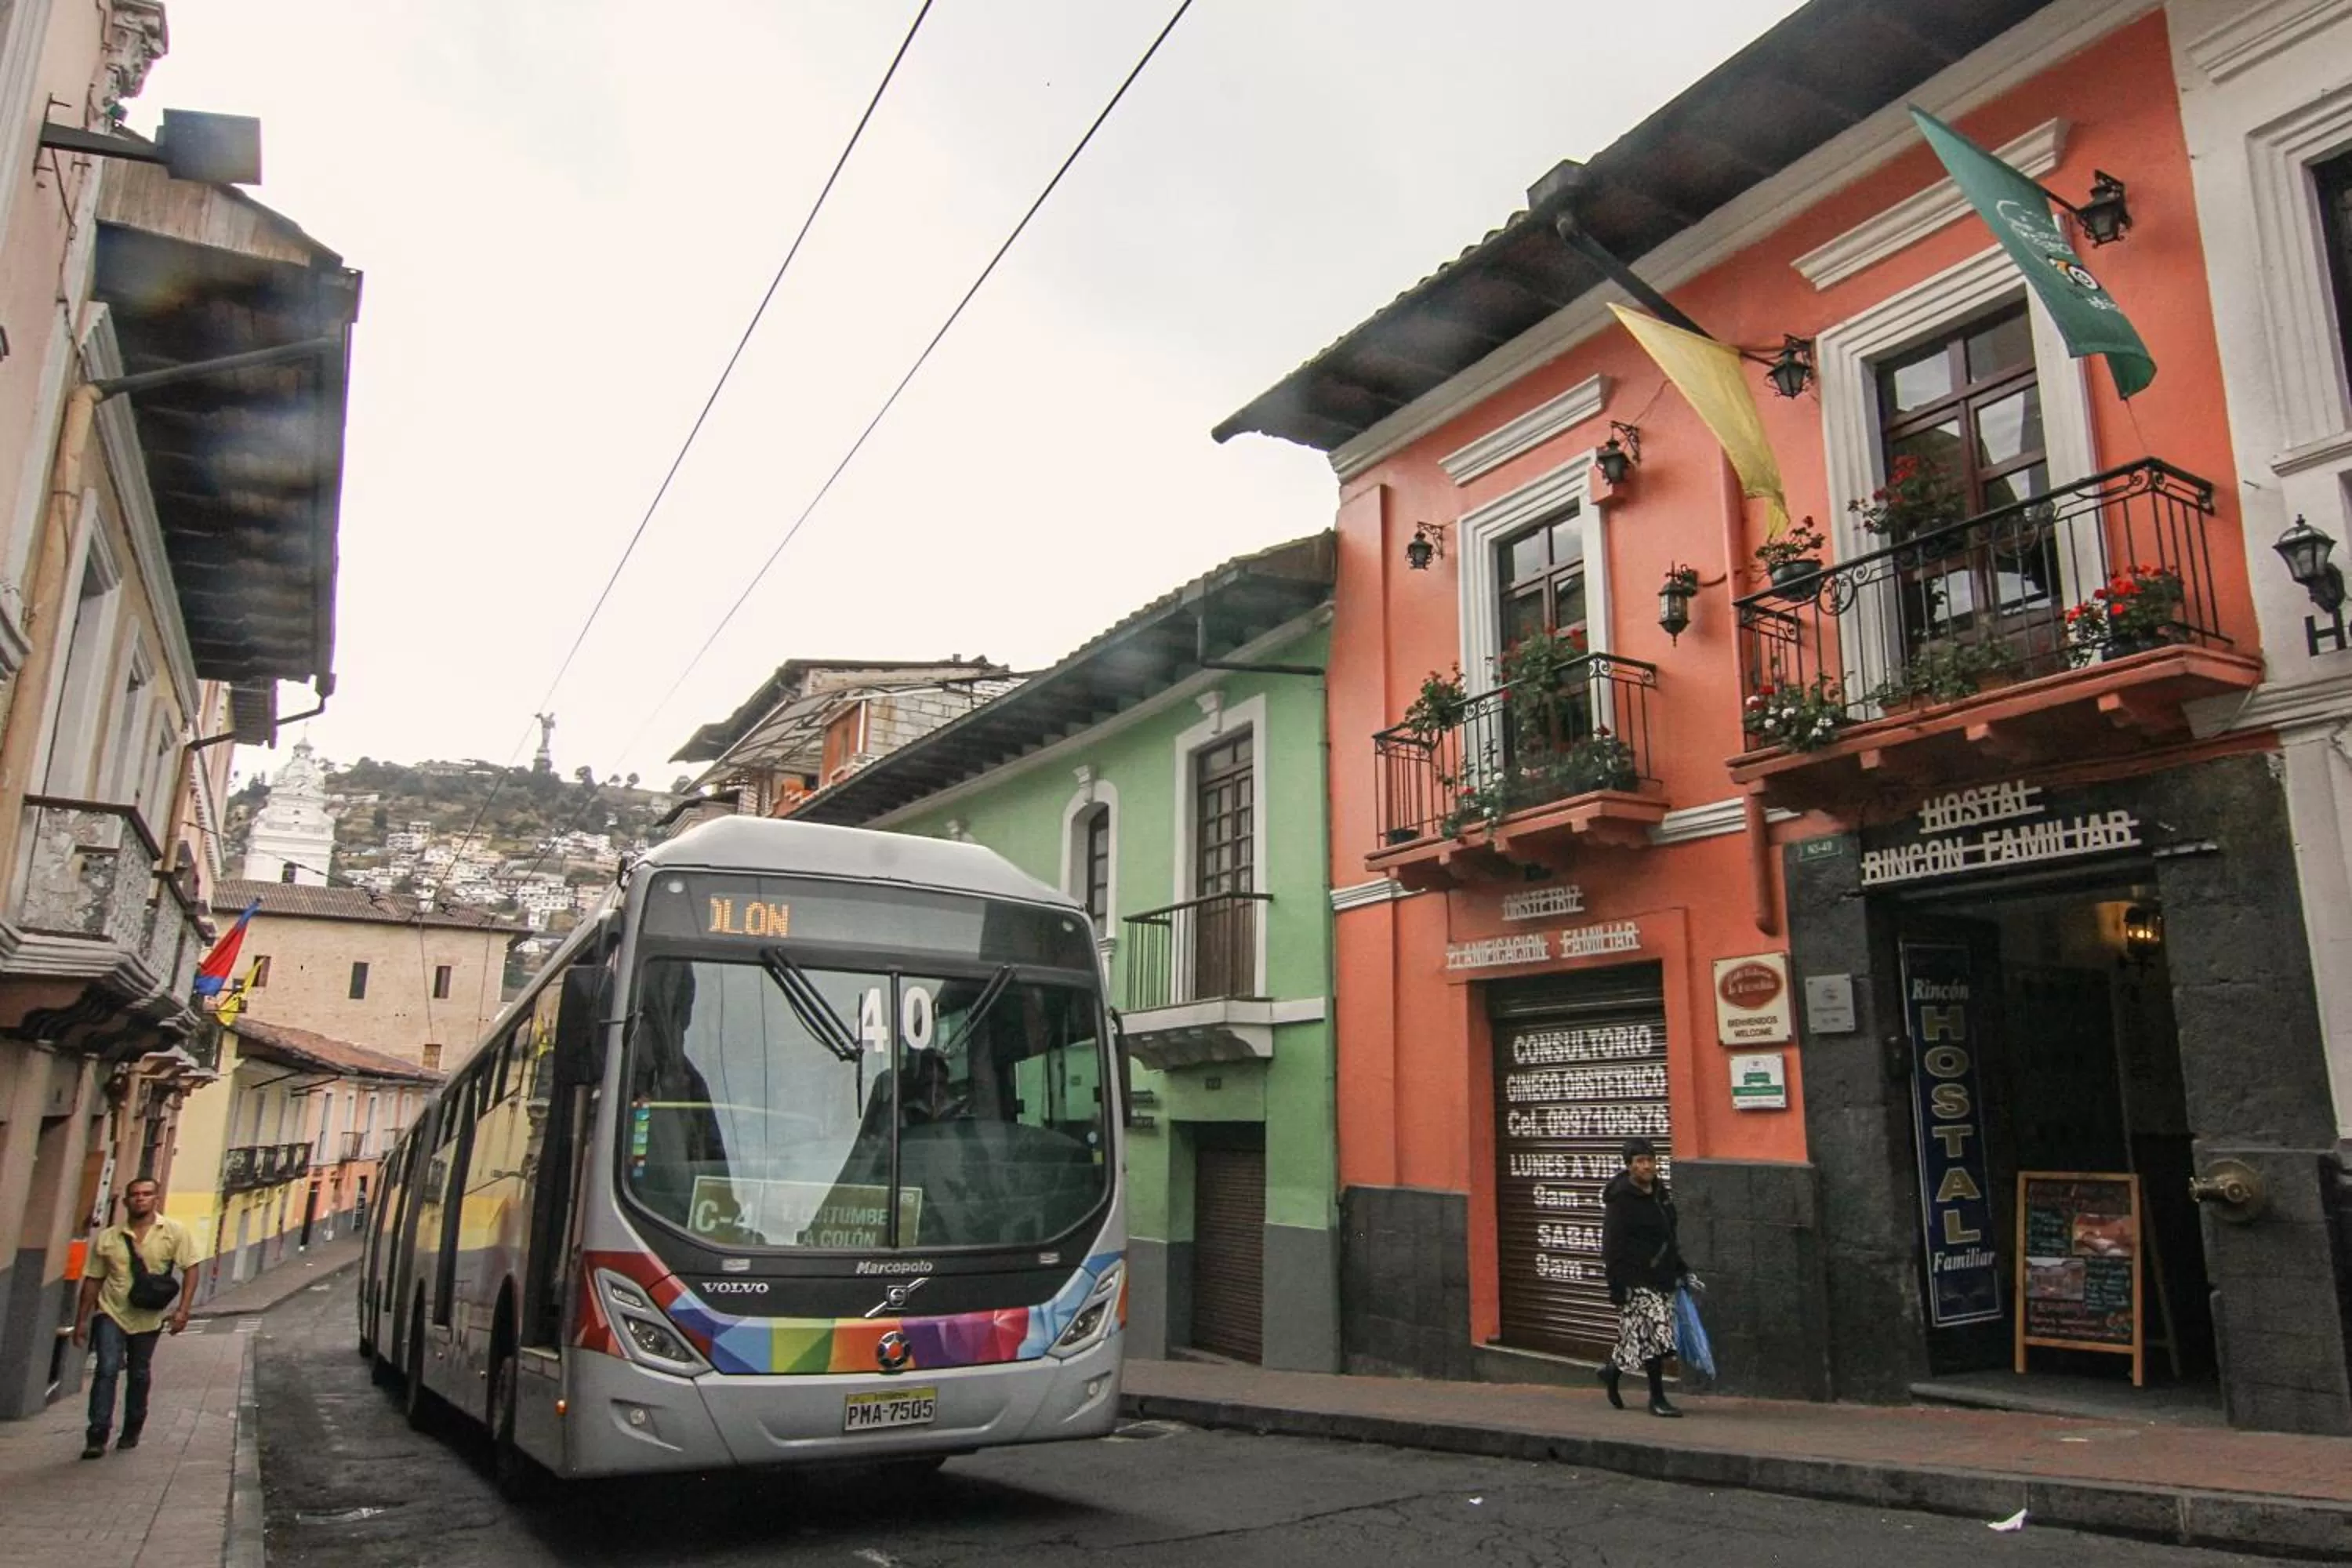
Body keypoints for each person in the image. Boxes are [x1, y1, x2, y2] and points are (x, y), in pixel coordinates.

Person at [72, 1178, 201, 1459]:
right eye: (135, 1195)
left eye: (147, 1194)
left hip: (148, 1317)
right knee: (106, 1369)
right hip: (111, 1312)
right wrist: (82, 1319)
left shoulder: (174, 1232)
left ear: (156, 1199)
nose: (140, 1199)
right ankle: (97, 1434)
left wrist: (183, 1310)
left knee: (139, 1373)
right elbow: (93, 1279)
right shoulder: (109, 1238)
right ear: (126, 1201)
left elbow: (191, 1268)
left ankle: (132, 1427)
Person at [1598, 1136, 1687, 1418]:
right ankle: (1657, 1399)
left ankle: (1612, 1372)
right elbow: (1612, 1245)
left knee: (1638, 1336)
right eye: (1640, 1162)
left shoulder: (1661, 1193)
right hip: (1635, 1279)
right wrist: (1616, 1286)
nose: (1646, 1166)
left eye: (1650, 1160)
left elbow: (1668, 1236)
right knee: (1657, 1338)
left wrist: (1681, 1268)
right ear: (1629, 1166)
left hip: (1662, 1275)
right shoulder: (1621, 1199)